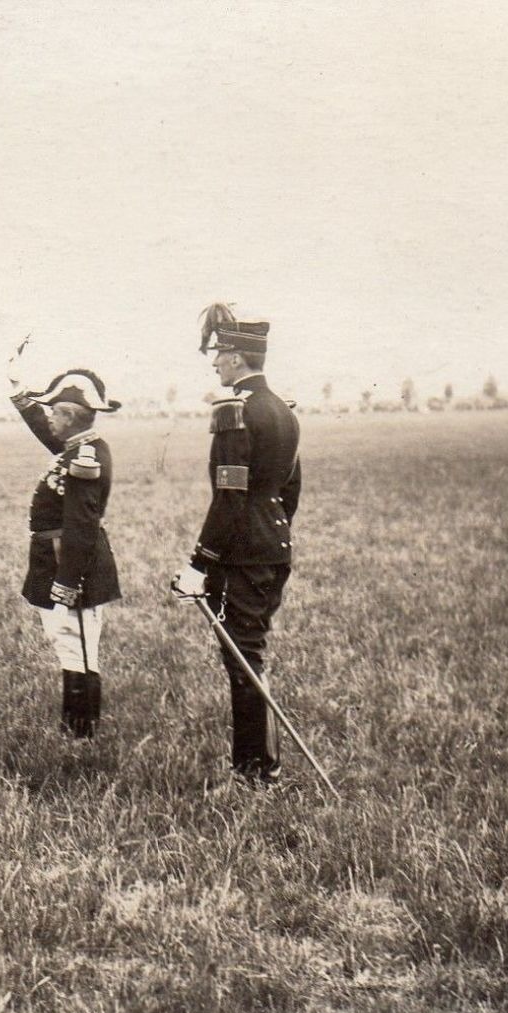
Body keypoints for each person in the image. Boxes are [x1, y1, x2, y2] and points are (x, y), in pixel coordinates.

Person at [172, 304, 302, 787]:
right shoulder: (284, 412)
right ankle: (261, 765)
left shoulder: (235, 413)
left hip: (243, 552)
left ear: (237, 358)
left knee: (243, 658)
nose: (214, 364)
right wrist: (269, 532)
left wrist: (198, 564)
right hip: (273, 545)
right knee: (252, 652)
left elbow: (229, 498)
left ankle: (255, 773)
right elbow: (290, 488)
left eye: (220, 354)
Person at [7, 352, 121, 738]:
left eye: (54, 412)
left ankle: (81, 733)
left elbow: (82, 526)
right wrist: (20, 395)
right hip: (59, 561)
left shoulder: (84, 455)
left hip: (73, 566)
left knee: (80, 648)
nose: (49, 418)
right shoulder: (76, 447)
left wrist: (68, 582)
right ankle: (75, 729)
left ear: (70, 416)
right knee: (69, 644)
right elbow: (45, 430)